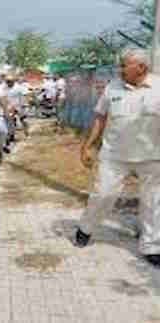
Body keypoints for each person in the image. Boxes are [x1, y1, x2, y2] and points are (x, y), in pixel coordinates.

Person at [75, 48, 160, 268]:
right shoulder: (112, 87)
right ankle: (86, 228)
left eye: (124, 65)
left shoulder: (158, 88)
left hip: (151, 155)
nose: (120, 69)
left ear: (141, 67)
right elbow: (99, 117)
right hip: (114, 155)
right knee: (102, 194)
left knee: (153, 202)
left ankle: (151, 246)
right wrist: (87, 146)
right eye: (121, 65)